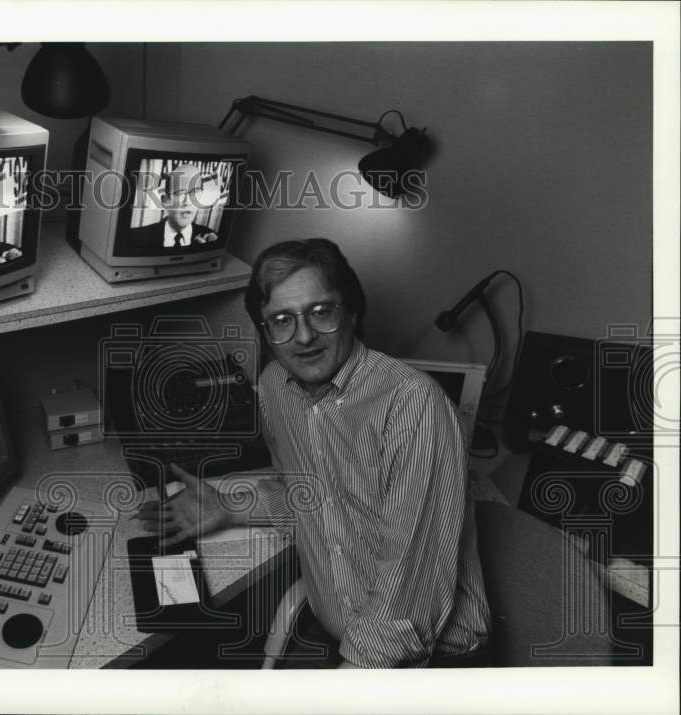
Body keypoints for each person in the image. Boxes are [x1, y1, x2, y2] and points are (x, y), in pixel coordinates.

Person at [138, 238, 491, 668]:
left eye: (321, 312)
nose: (304, 336)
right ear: (266, 332)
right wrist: (231, 508)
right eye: (281, 320)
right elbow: (312, 499)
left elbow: (407, 602)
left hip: (428, 657)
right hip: (344, 634)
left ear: (352, 313)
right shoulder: (275, 388)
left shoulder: (414, 407)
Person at [130, 163, 218, 251]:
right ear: (165, 200)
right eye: (180, 193)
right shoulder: (136, 238)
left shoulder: (211, 237)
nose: (188, 202)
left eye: (195, 192)